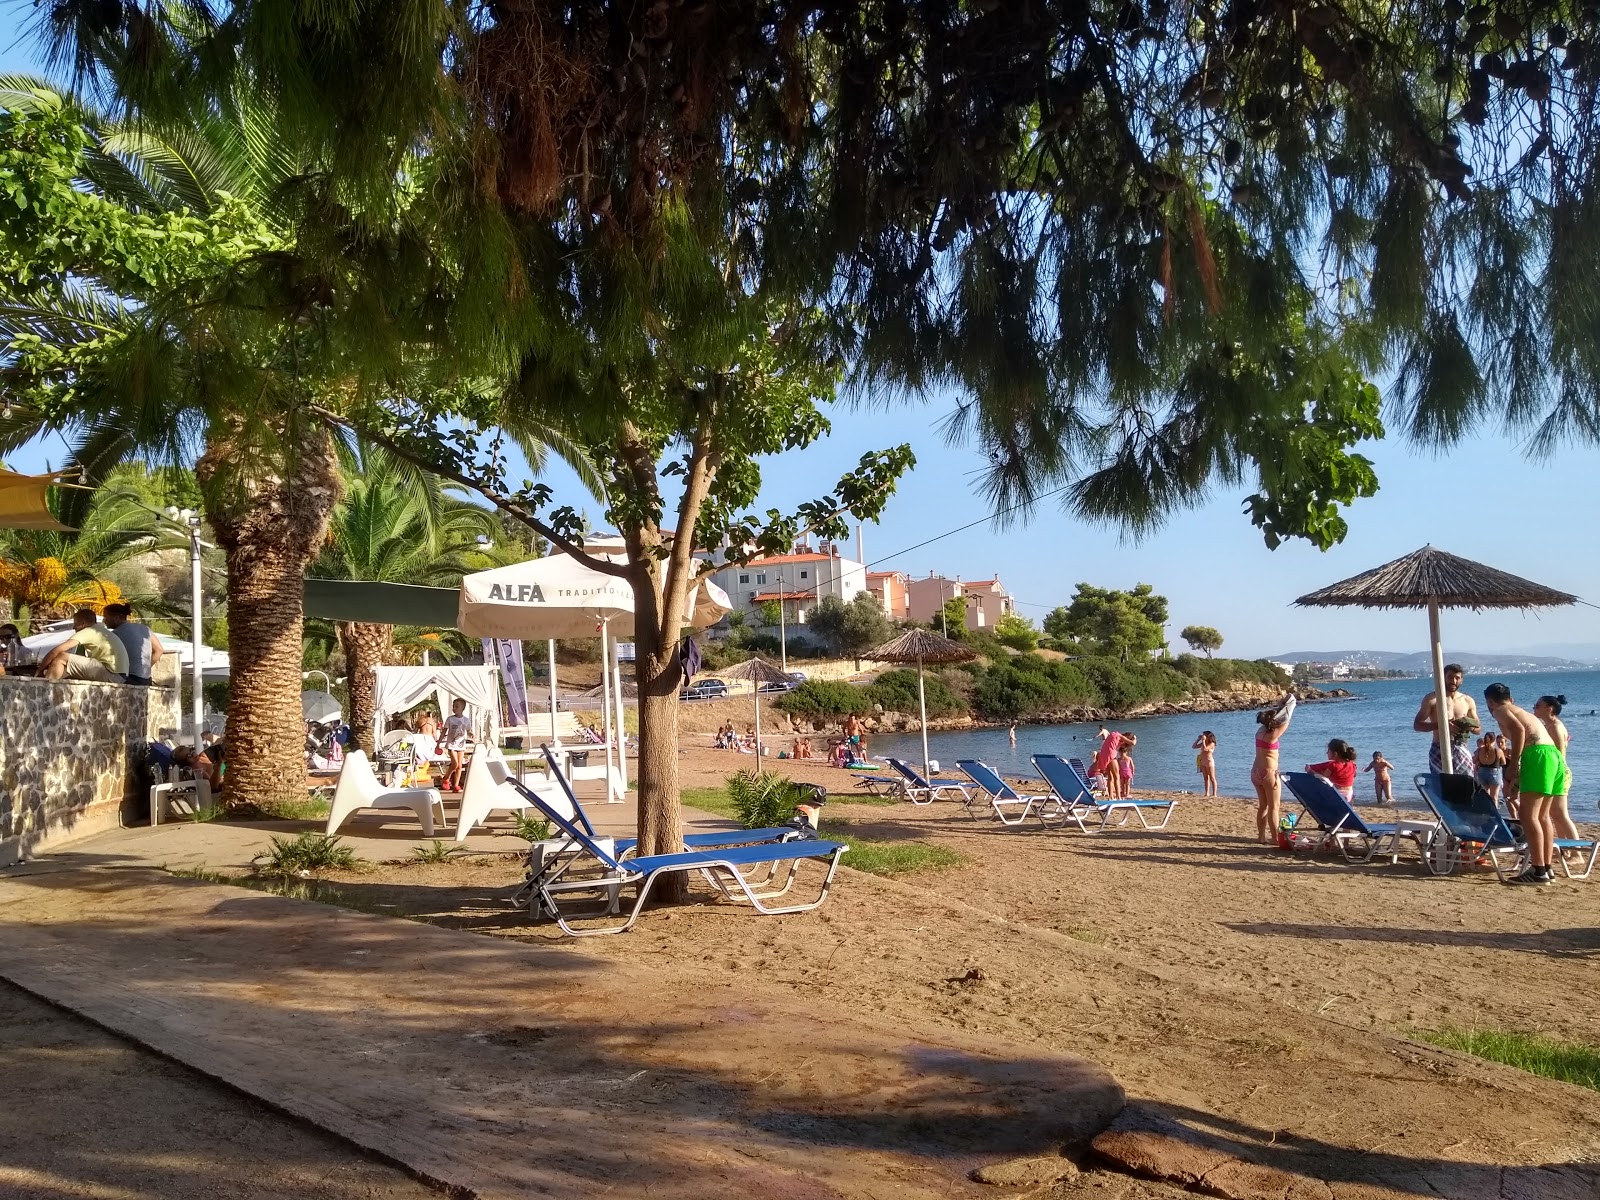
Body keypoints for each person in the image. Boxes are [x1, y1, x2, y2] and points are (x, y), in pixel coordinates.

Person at [1483, 682, 1561, 885]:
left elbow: (1518, 731)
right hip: (1551, 754)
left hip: (1536, 754)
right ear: (1511, 698)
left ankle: (1538, 870)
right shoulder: (1519, 709)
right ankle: (1545, 868)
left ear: (1490, 702)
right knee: (1543, 816)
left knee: (1528, 816)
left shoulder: (1500, 709)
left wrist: (1514, 764)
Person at [1413, 663, 1480, 775]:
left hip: (1461, 747)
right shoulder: (1432, 699)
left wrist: (1466, 725)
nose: (1453, 681)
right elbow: (1417, 725)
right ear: (1443, 677)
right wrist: (1442, 725)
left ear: (1461, 680)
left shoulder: (1467, 701)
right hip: (1439, 748)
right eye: (1450, 677)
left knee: (1466, 786)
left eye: (1457, 678)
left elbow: (1478, 729)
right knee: (1443, 787)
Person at [1534, 694, 1580, 850]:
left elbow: (1560, 755)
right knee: (1554, 814)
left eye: (1537, 706)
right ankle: (1564, 850)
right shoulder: (1548, 725)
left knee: (1561, 814)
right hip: (1552, 772)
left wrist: (1554, 776)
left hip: (1559, 772)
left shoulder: (1556, 727)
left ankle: (1577, 853)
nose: (1534, 708)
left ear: (1549, 709)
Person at [1251, 691, 1297, 845]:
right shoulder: (1273, 735)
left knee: (1262, 806)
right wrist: (1288, 704)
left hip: (1255, 771)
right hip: (1269, 773)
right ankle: (1275, 838)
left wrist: (1280, 706)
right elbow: (1287, 718)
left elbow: (1277, 718)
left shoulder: (1259, 732)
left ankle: (1261, 836)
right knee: (1274, 807)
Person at [38, 608, 129, 683]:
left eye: (75, 623)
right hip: (119, 676)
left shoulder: (89, 631)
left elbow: (56, 651)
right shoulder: (100, 630)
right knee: (65, 667)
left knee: (62, 657)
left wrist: (40, 671)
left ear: (83, 623)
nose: (74, 627)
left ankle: (45, 688)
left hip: (112, 674)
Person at [102, 602, 164, 687]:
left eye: (105, 617)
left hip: (129, 679)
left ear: (116, 618)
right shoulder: (145, 629)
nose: (104, 621)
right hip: (146, 680)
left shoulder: (114, 635)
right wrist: (145, 668)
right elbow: (159, 650)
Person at [441, 698, 473, 791]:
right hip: (451, 744)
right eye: (453, 706)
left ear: (462, 708)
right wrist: (438, 742)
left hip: (461, 745)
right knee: (454, 764)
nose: (454, 708)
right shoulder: (450, 719)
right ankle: (446, 778)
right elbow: (444, 731)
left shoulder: (466, 720)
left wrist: (471, 735)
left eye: (456, 707)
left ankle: (456, 784)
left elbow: (468, 730)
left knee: (459, 765)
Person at [1473, 733, 1505, 806]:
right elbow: (1503, 763)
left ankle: (1486, 812)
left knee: (1485, 795)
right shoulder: (1498, 750)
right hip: (1494, 773)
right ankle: (1494, 814)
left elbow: (1474, 761)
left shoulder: (1480, 750)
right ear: (1494, 740)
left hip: (1482, 772)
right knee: (1494, 796)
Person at [1192, 731, 1217, 797]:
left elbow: (1205, 749)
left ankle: (1214, 794)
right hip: (1203, 761)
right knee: (1205, 778)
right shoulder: (1204, 743)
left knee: (1212, 778)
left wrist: (1203, 741)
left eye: (1204, 735)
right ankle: (1207, 793)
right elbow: (1194, 746)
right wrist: (1198, 739)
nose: (1204, 736)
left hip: (1209, 762)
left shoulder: (1212, 743)